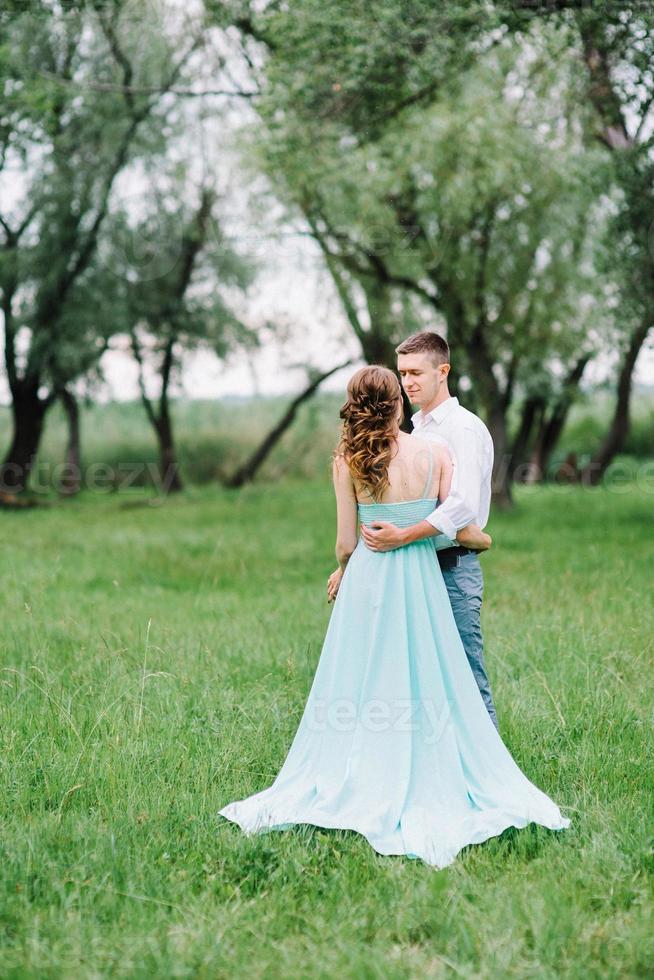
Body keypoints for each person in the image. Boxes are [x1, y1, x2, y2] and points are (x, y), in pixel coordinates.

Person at [218, 365, 570, 869]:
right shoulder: (435, 452)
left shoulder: (347, 460)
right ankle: (430, 766)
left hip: (370, 579)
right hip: (422, 579)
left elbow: (346, 541)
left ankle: (365, 770)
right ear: (398, 404)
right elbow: (458, 526)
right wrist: (480, 538)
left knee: (364, 681)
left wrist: (343, 569)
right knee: (428, 674)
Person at [361, 332, 498, 730]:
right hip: (415, 568)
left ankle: (489, 772)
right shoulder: (416, 430)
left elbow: (463, 506)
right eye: (402, 374)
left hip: (452, 567)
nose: (408, 382)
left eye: (417, 373)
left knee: (465, 674)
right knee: (420, 676)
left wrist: (404, 536)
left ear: (444, 371)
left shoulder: (463, 429)